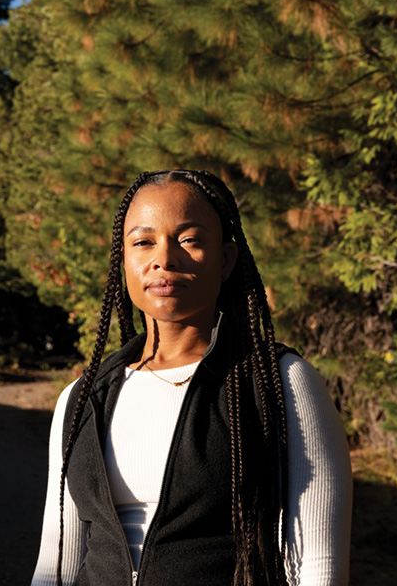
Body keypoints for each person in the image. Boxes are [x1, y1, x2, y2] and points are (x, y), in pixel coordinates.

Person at [30, 170, 352, 586]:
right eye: (143, 242)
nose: (164, 258)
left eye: (189, 239)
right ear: (123, 260)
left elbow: (318, 566)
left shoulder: (279, 383)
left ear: (225, 261)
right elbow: (55, 564)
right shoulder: (85, 399)